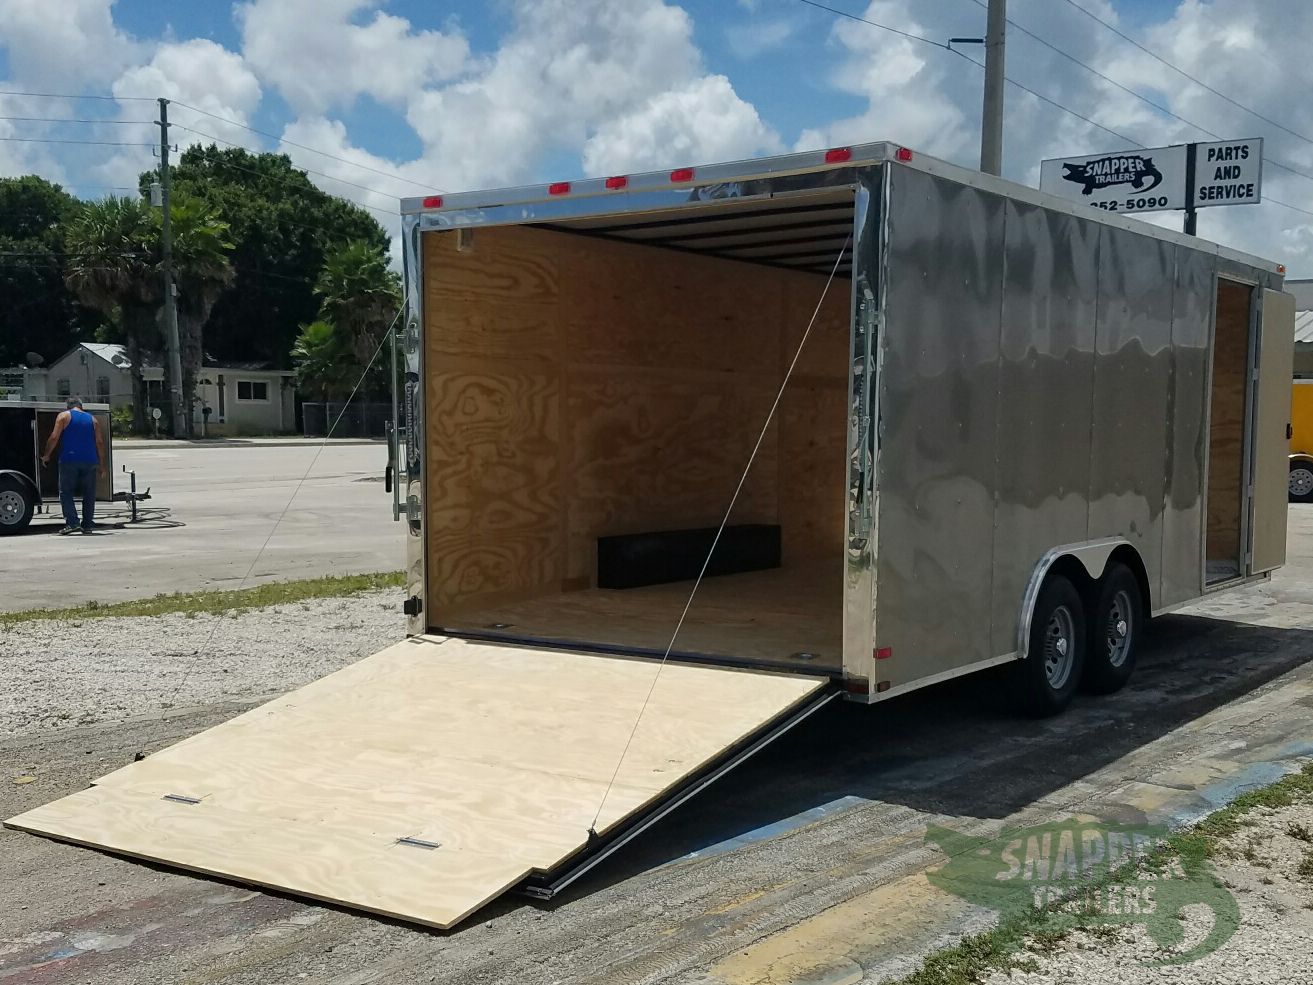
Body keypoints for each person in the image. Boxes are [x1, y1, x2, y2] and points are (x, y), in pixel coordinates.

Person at [40, 397, 107, 535]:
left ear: (68, 406)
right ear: (81, 406)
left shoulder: (64, 416)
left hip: (69, 460)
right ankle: (88, 524)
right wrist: (102, 465)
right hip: (90, 461)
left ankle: (73, 523)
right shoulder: (93, 420)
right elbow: (99, 442)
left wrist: (46, 454)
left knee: (66, 492)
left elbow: (54, 437)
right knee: (89, 494)